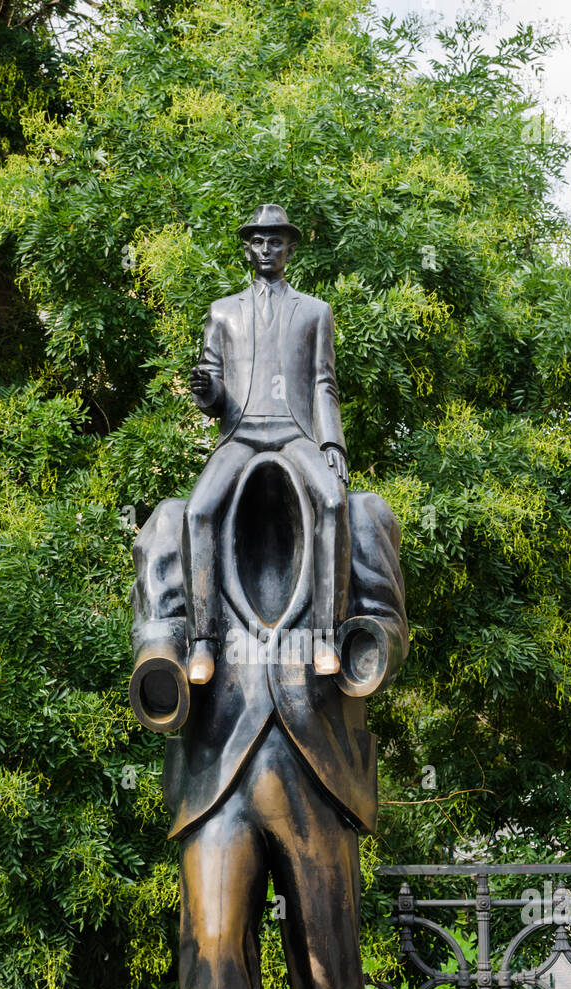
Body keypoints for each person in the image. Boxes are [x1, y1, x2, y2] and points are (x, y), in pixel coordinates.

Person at [185, 203, 350, 684]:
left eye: (275, 241)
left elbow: (324, 384)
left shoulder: (316, 312)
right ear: (247, 248)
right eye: (258, 241)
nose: (266, 249)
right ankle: (203, 643)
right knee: (198, 511)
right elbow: (213, 390)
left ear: (289, 249)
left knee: (335, 503)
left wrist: (332, 443)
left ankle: (325, 637)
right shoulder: (222, 312)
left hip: (294, 433)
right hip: (241, 434)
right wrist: (204, 390)